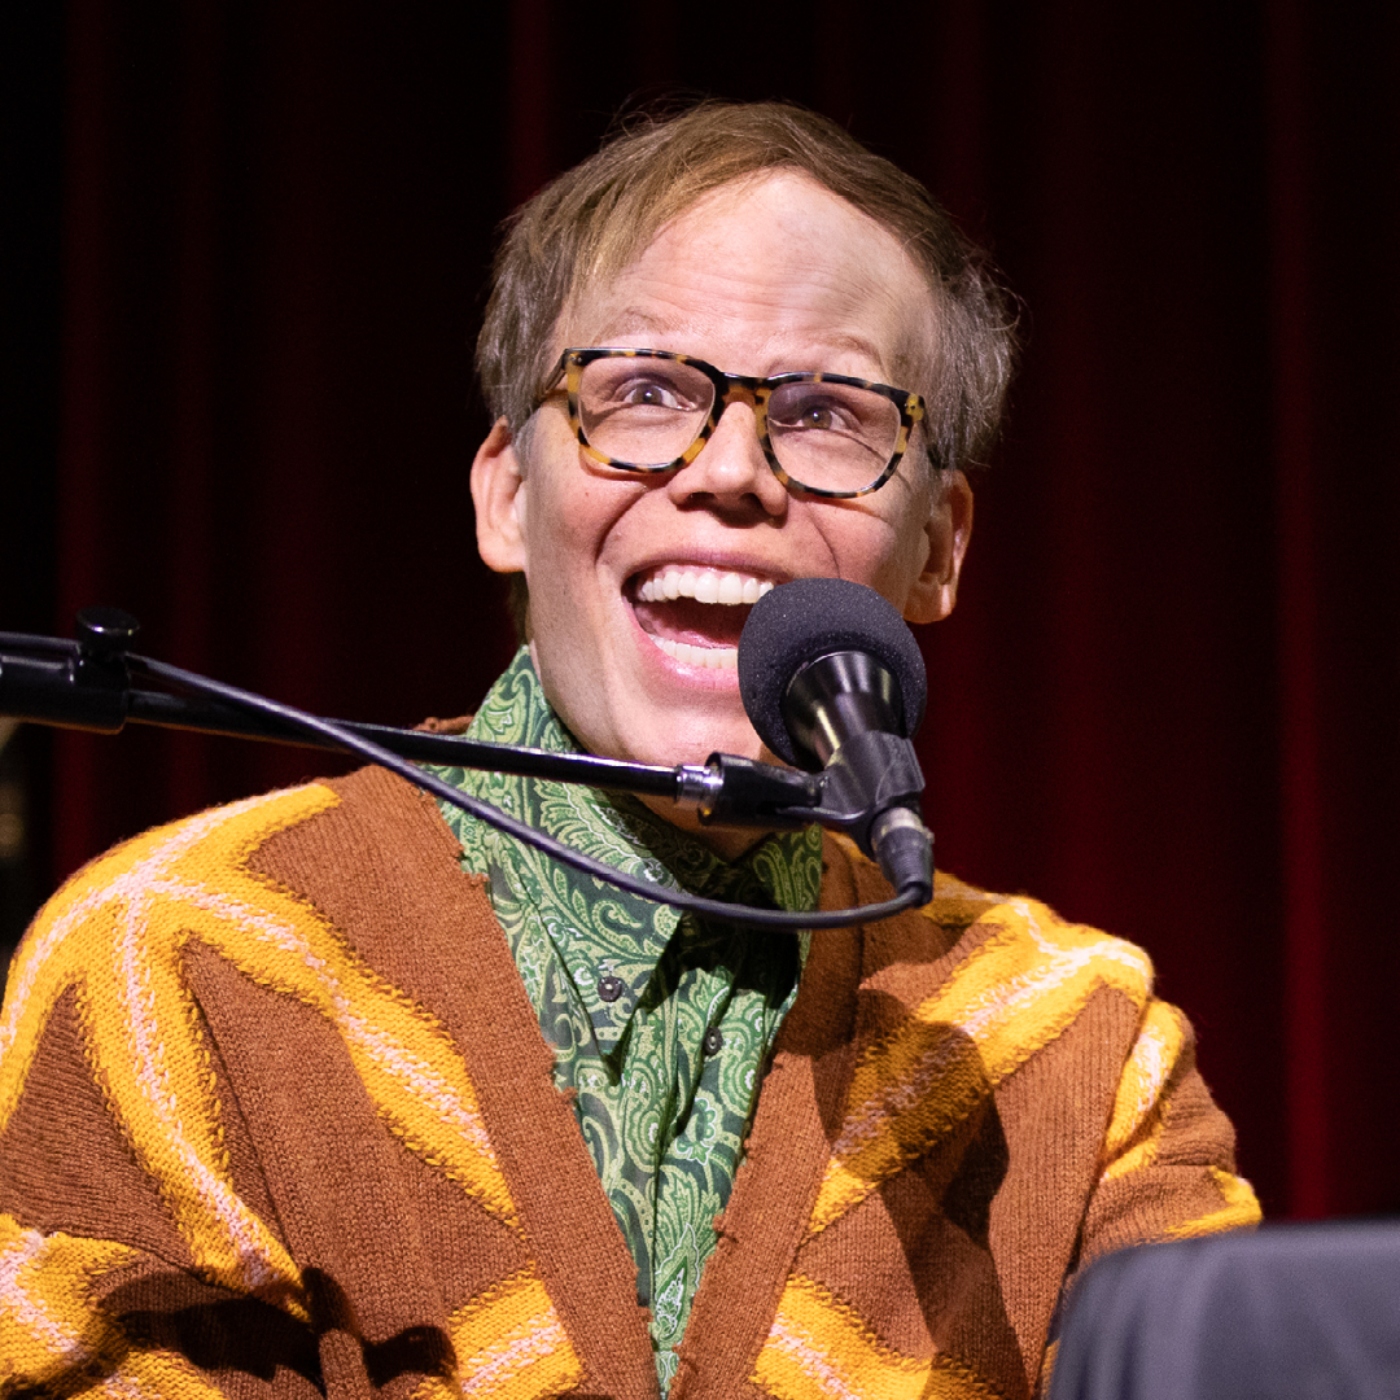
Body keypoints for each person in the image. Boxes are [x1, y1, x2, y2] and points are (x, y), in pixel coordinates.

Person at [0, 102, 1258, 1399]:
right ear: (506, 494)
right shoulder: (177, 958)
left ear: (939, 544)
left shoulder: (1076, 1049)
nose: (731, 472)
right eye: (643, 393)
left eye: (830, 414)